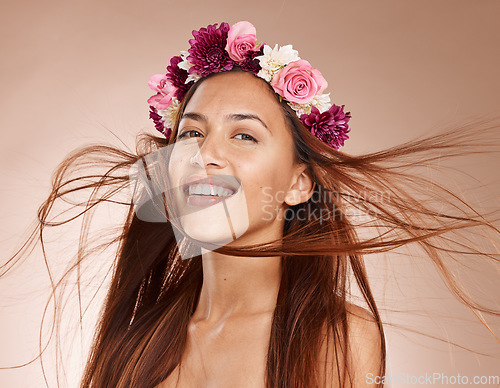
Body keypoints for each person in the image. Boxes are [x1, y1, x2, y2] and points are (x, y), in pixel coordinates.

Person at [2, 21, 499, 388]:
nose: (206, 155)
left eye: (244, 135)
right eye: (192, 132)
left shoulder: (337, 339)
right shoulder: (136, 345)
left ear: (299, 185)